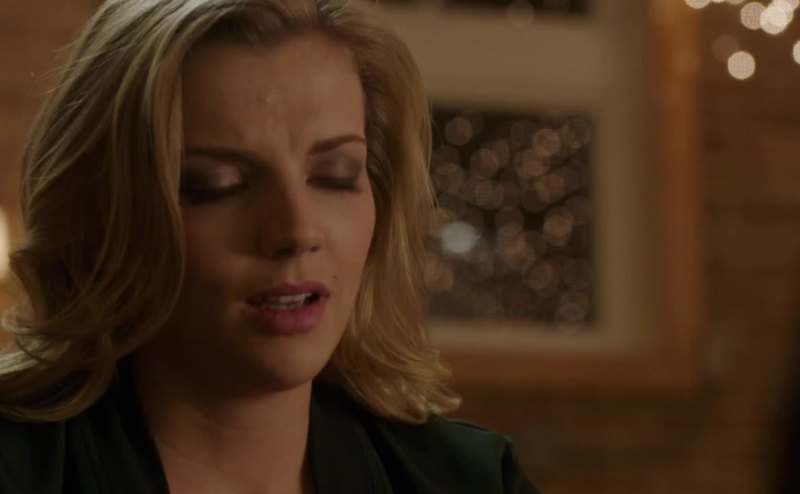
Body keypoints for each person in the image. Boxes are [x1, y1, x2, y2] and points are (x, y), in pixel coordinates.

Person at [0, 0, 540, 492]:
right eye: (217, 185)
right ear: (106, 213)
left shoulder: (470, 481)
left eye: (334, 176)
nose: (297, 231)